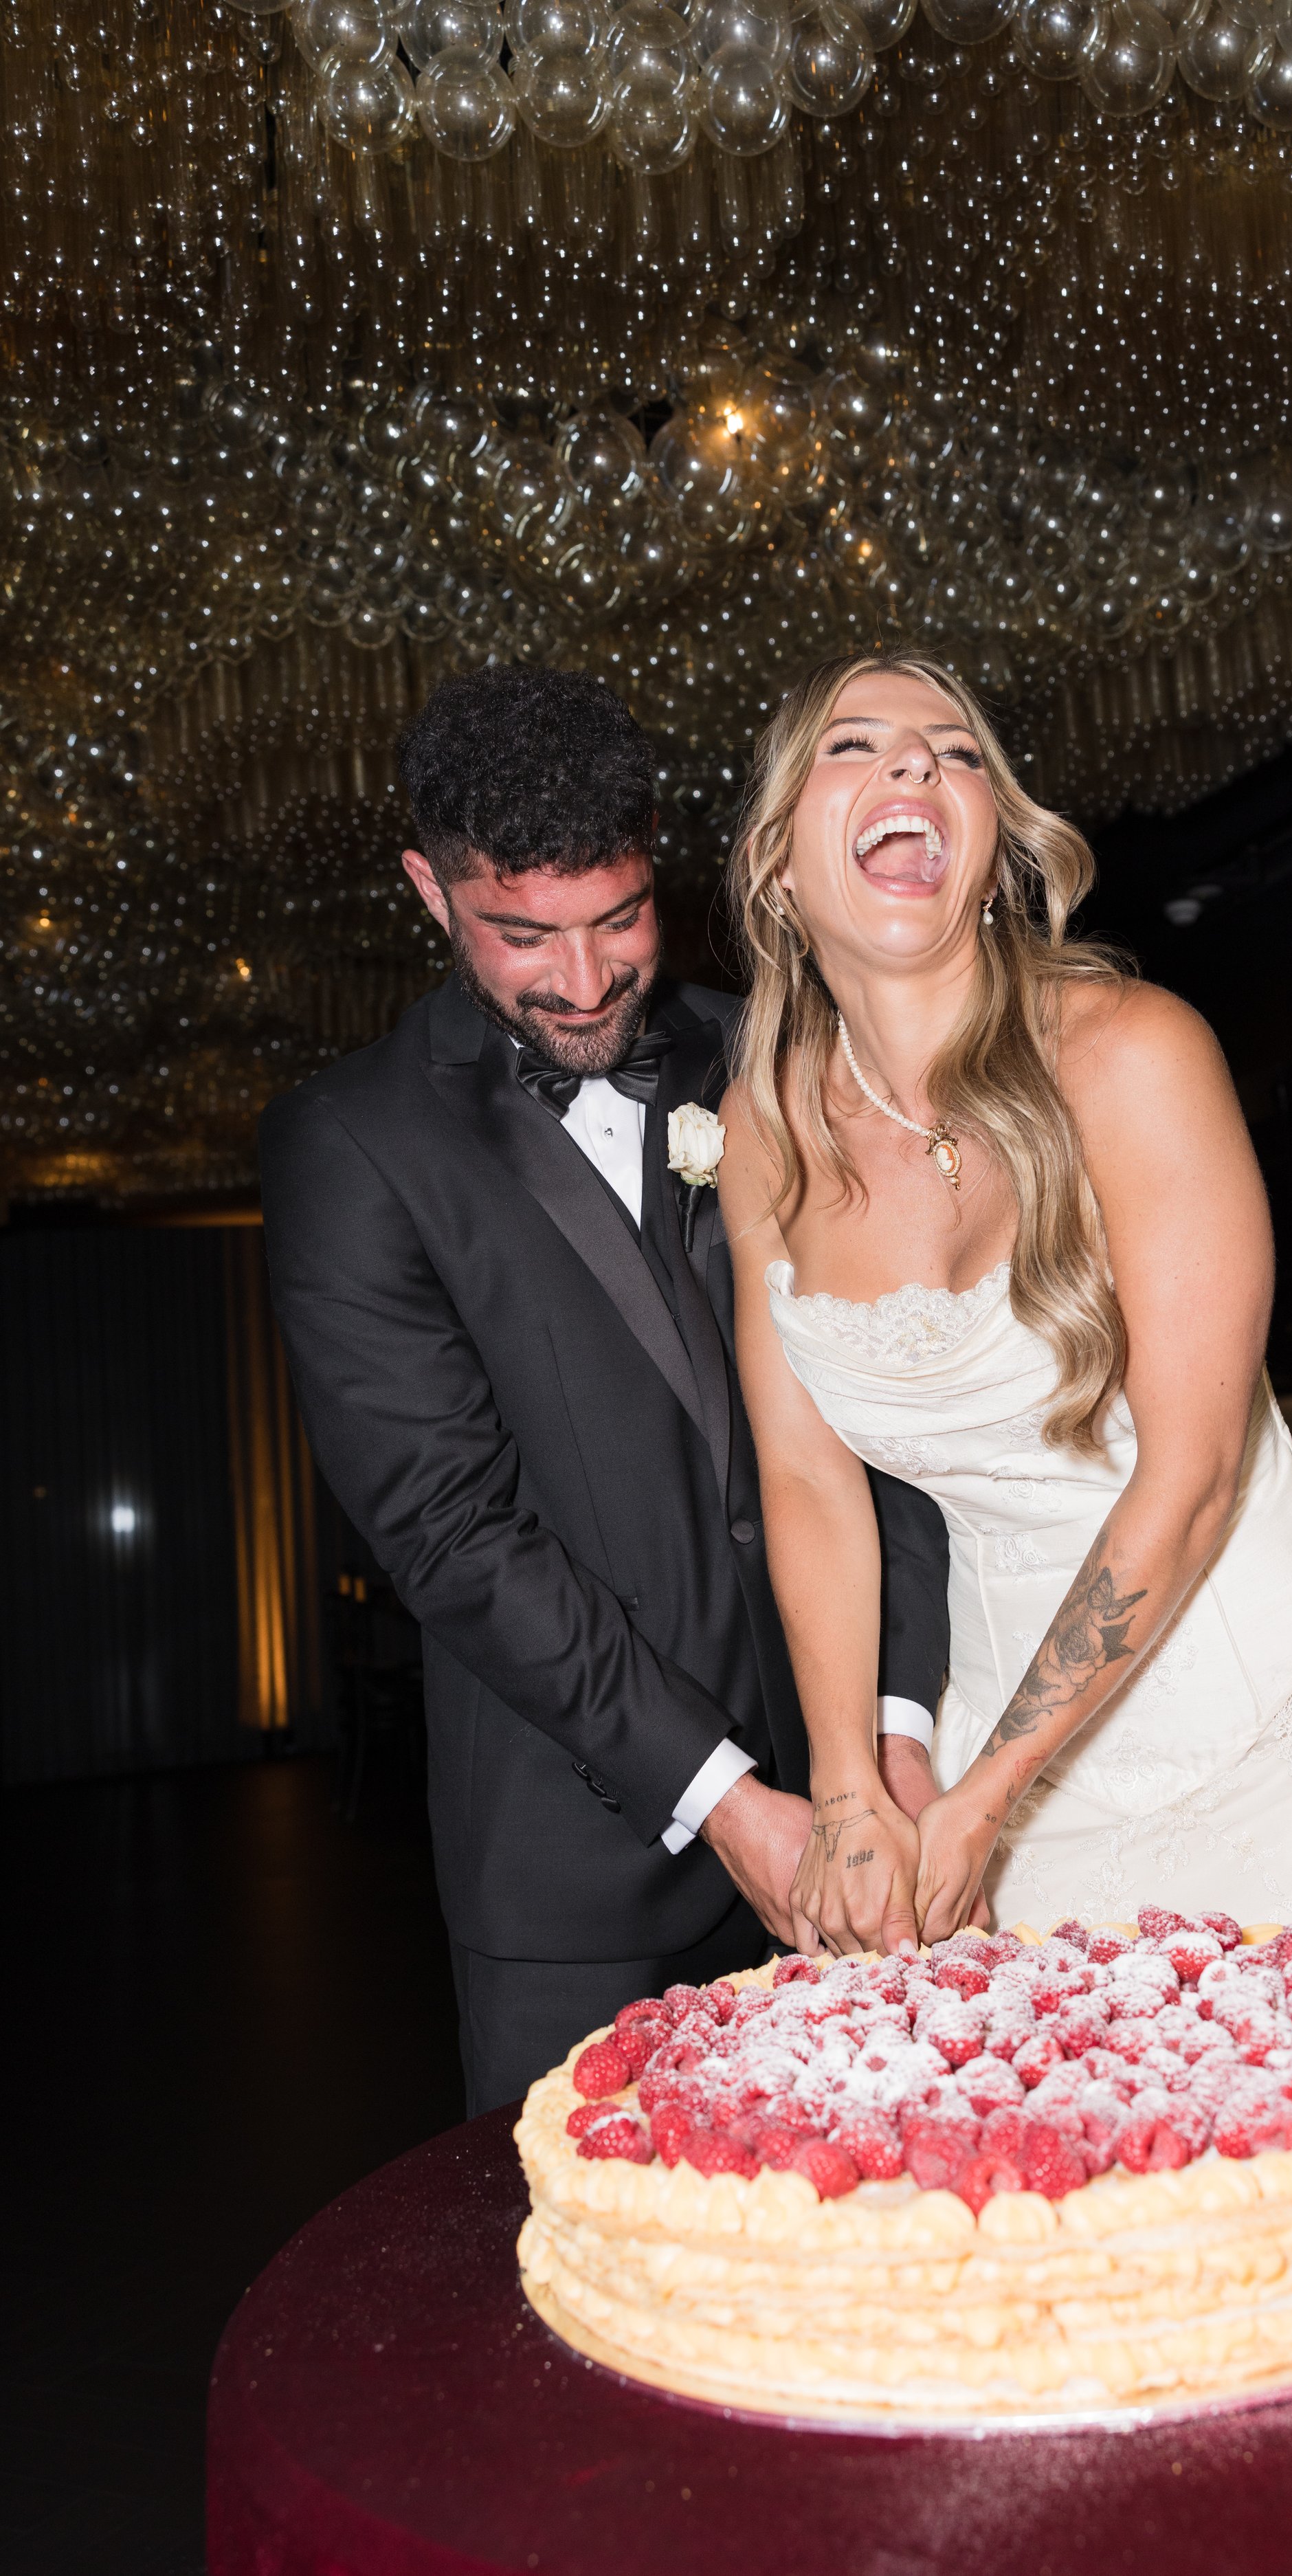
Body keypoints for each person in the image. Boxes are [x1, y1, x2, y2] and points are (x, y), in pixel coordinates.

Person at [717, 647, 1292, 2003]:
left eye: (954, 752)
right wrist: (845, 1782)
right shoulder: (762, 1133)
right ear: (778, 864)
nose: (913, 765)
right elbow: (804, 1475)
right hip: (985, 1733)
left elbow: (1188, 1478)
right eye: (856, 746)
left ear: (996, 851)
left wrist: (989, 1794)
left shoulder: (1132, 1052)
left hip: (1263, 1697)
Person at [260, 667, 950, 2116]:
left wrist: (895, 1723)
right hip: (578, 1879)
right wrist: (729, 1801)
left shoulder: (770, 1047)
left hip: (868, 1815)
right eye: (521, 934)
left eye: (617, 919)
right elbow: (452, 1533)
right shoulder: (351, 1144)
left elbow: (899, 1399)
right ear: (428, 891)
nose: (581, 982)